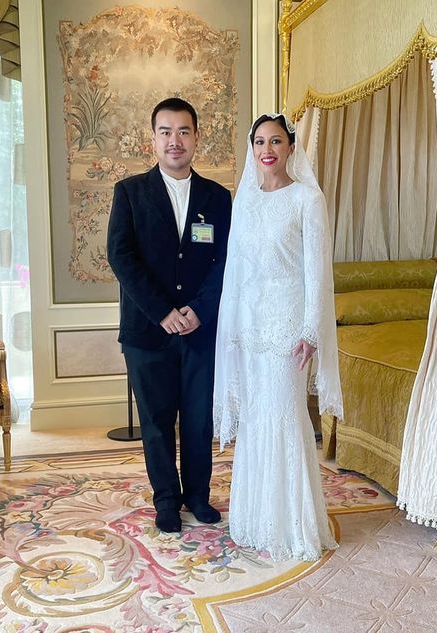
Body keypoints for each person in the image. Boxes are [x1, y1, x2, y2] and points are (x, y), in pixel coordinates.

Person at [213, 113, 343, 561]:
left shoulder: (308, 199)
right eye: (259, 141)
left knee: (286, 417)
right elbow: (236, 272)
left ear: (290, 148)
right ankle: (255, 519)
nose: (267, 149)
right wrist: (231, 328)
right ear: (252, 150)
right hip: (250, 330)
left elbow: (317, 273)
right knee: (255, 421)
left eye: (276, 141)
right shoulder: (243, 202)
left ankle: (294, 525)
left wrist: (311, 329)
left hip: (289, 330)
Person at [107, 97, 232, 533]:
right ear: (153, 138)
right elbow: (121, 257)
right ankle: (166, 501)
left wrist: (198, 310)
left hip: (201, 331)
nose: (174, 141)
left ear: (196, 137)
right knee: (157, 422)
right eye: (166, 132)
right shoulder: (130, 192)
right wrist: (163, 312)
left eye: (183, 131)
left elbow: (225, 261)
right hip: (147, 332)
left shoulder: (218, 198)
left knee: (198, 420)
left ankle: (198, 497)